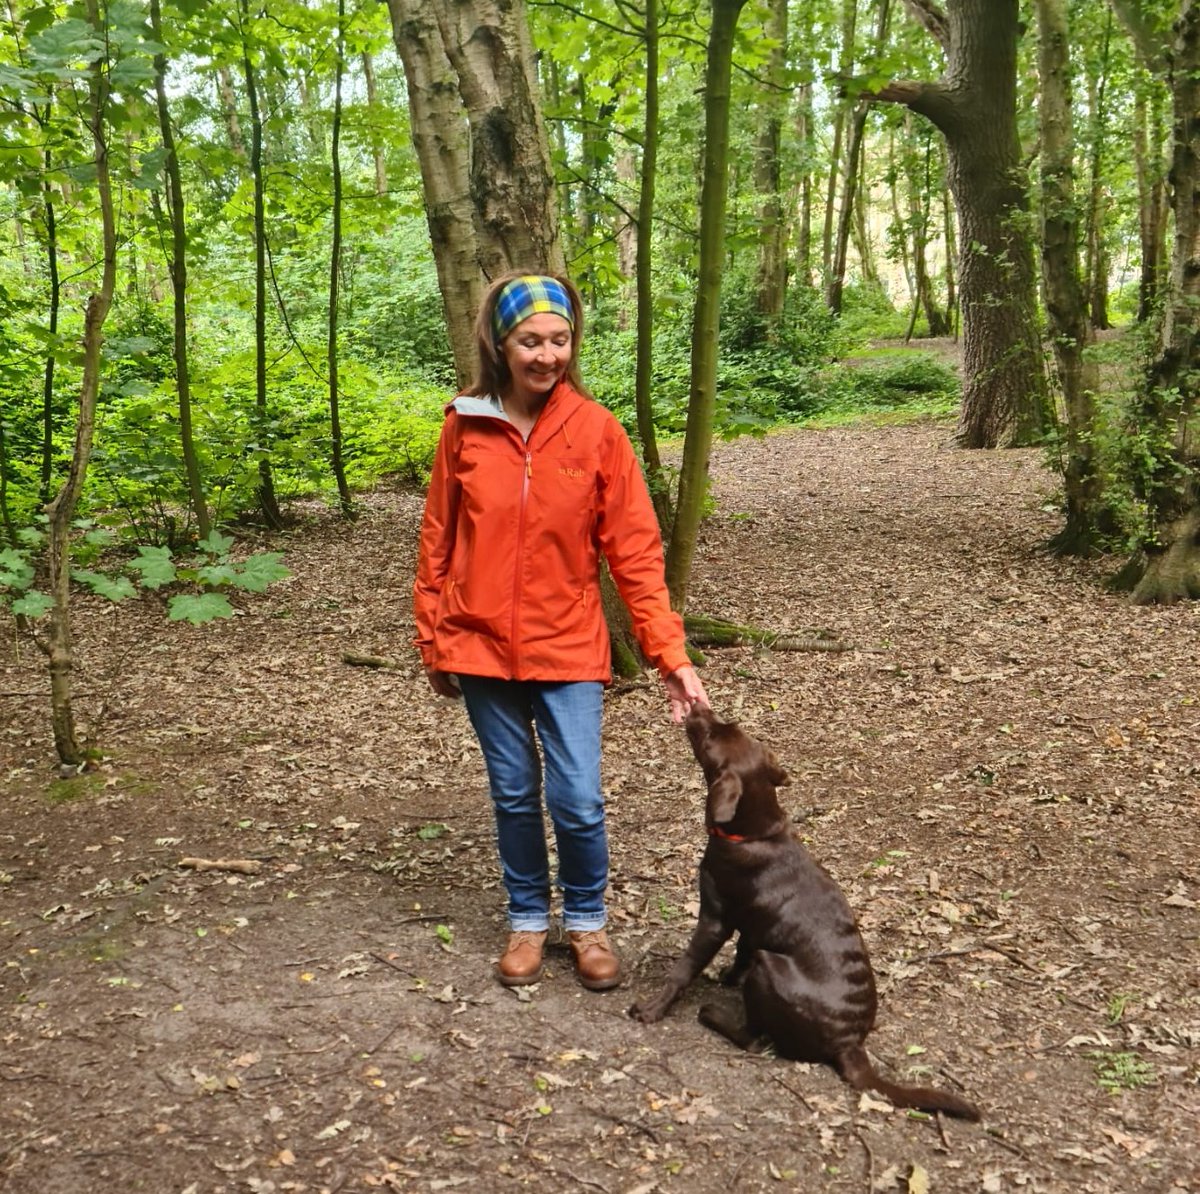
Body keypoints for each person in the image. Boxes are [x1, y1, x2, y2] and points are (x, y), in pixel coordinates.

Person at [412, 271, 708, 991]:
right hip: (479, 643)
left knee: (576, 795)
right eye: (530, 341)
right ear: (500, 343)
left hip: (568, 645)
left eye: (559, 339)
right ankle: (526, 920)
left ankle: (585, 921)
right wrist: (433, 637)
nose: (547, 355)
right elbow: (438, 538)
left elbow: (635, 551)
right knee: (513, 792)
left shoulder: (597, 430)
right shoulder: (465, 425)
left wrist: (668, 652)